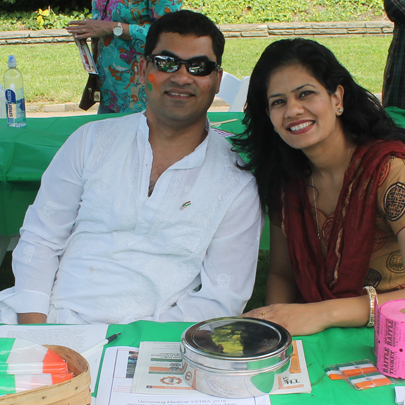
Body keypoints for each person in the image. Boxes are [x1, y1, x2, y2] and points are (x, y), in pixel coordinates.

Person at [0, 10, 262, 325]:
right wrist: (37, 332)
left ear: (217, 80)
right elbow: (41, 238)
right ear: (141, 70)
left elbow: (222, 298)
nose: (181, 77)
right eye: (166, 63)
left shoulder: (237, 175)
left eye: (199, 66)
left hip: (154, 343)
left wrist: (137, 348)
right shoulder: (91, 141)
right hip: (48, 318)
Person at [233, 38, 405, 336]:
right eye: (278, 102)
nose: (293, 110)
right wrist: (278, 336)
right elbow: (281, 274)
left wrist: (323, 313)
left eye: (305, 94)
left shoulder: (388, 170)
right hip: (316, 337)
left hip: (391, 335)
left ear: (337, 98)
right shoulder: (288, 178)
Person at [67, 0, 182, 114]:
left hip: (142, 95)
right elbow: (104, 24)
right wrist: (86, 31)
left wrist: (114, 28)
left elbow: (170, 33)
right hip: (108, 92)